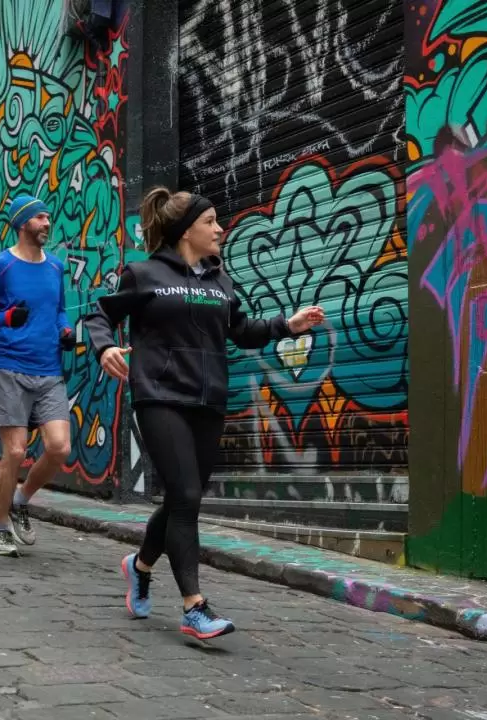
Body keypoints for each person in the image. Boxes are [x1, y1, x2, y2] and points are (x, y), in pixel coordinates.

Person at [84, 186, 326, 639]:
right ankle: (194, 607)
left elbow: (242, 330)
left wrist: (285, 326)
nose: (220, 229)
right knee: (187, 497)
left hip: (209, 397)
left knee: (183, 496)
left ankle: (139, 567)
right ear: (185, 230)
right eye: (210, 221)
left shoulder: (221, 280)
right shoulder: (144, 273)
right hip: (158, 395)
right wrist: (105, 348)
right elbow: (99, 314)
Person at [0, 194, 75, 558]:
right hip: (9, 367)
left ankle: (20, 499)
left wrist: (66, 330)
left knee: (59, 448)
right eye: (40, 218)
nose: (47, 223)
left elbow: (60, 310)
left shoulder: (56, 268)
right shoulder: (1, 266)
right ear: (22, 223)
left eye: (48, 217)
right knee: (14, 451)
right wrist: (5, 319)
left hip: (48, 370)